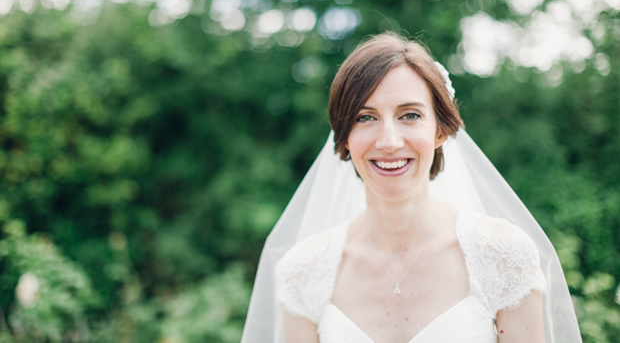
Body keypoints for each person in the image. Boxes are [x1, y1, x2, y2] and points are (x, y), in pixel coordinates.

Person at [241, 33, 582, 343]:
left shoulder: (504, 257)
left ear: (440, 131)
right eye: (365, 117)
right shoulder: (304, 271)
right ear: (344, 135)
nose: (389, 141)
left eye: (410, 115)